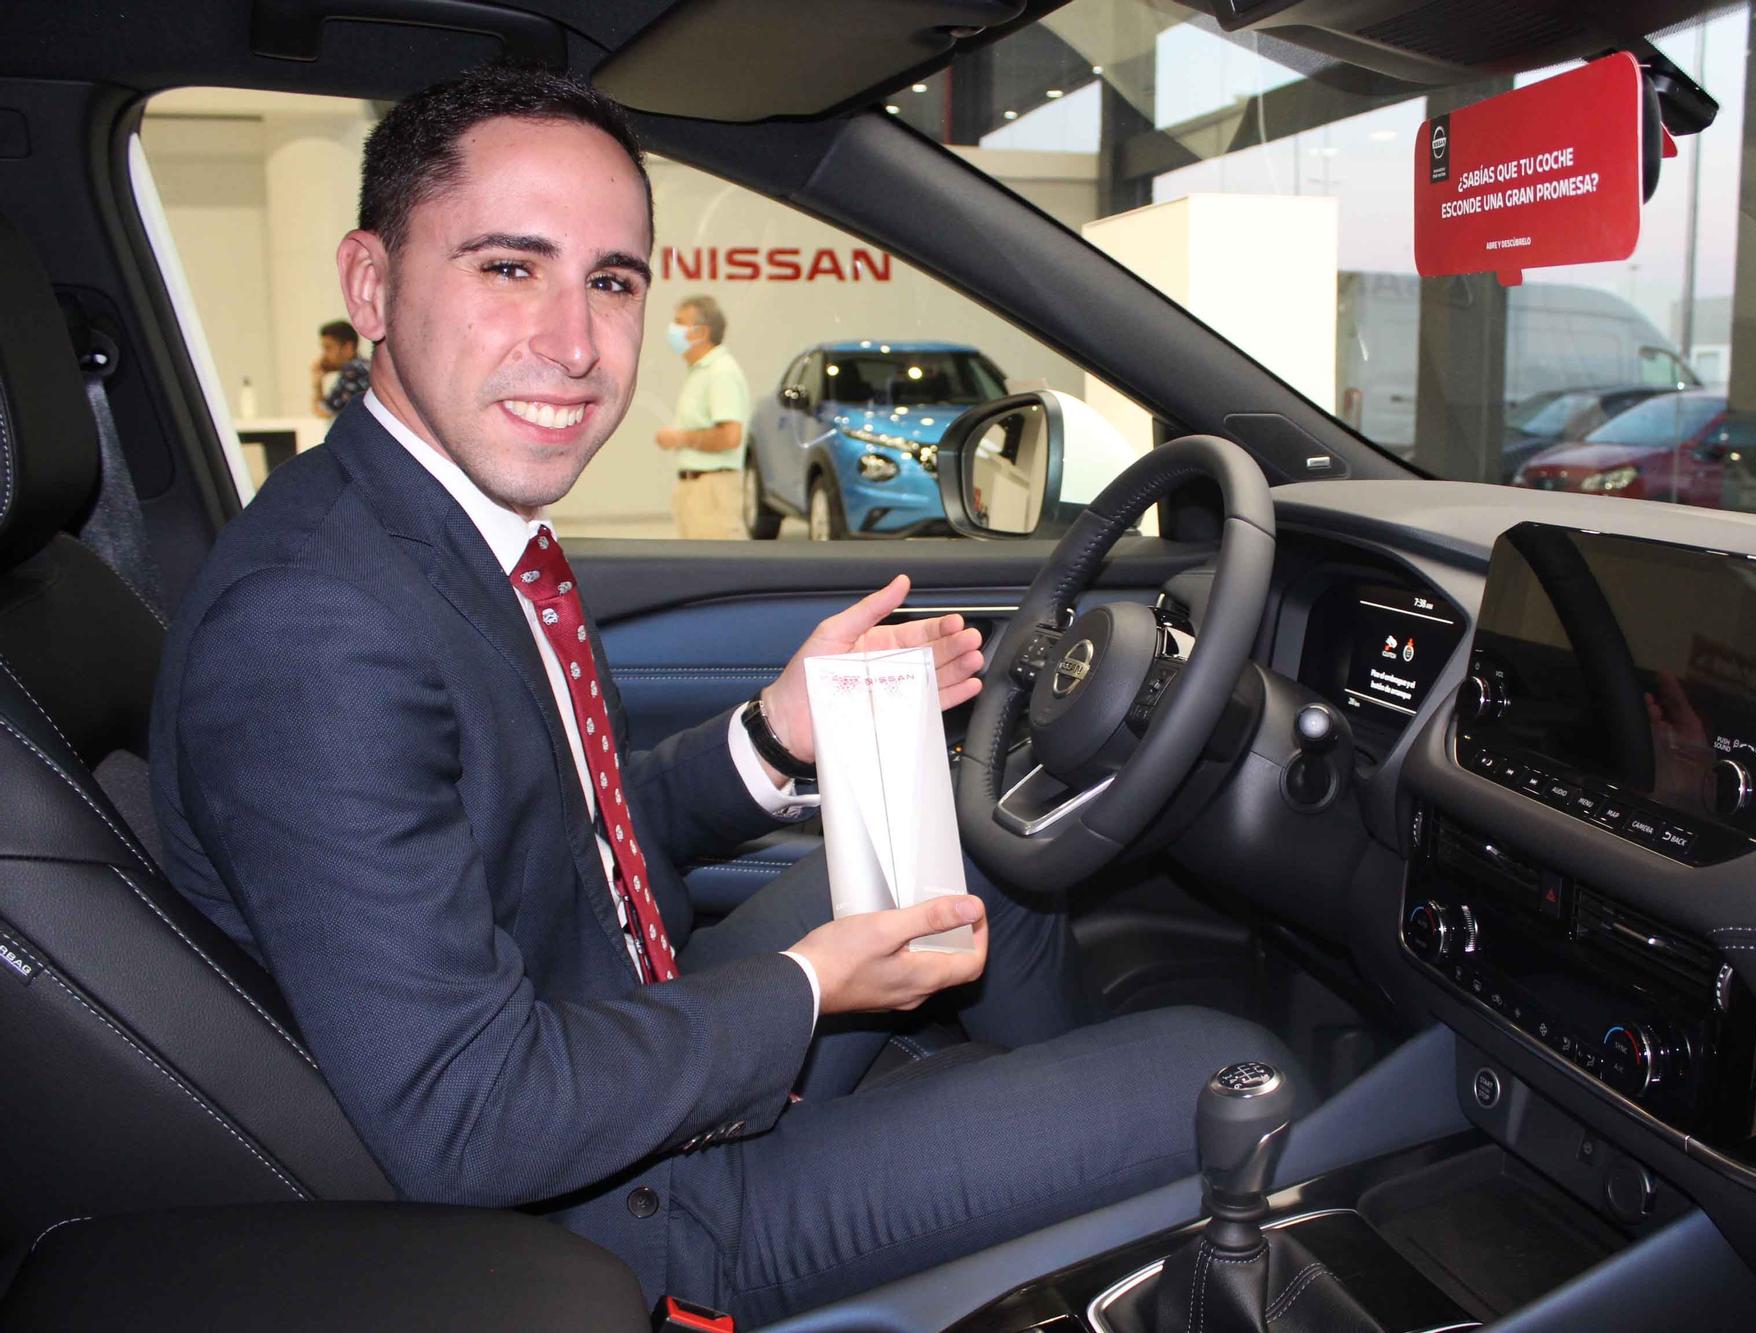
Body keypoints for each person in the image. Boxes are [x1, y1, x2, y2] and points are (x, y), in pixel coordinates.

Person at [151, 63, 1287, 1326]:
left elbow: (549, 837)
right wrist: (810, 986)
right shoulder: (314, 627)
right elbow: (469, 1119)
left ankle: (1023, 1189)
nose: (574, 344)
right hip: (626, 1212)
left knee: (975, 849)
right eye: (509, 267)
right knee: (1226, 1068)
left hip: (609, 1023)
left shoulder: (444, 530)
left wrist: (772, 733)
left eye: (612, 280)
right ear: (372, 283)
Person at [653, 294, 751, 539]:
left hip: (713, 491)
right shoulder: (700, 372)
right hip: (695, 490)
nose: (672, 330)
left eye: (680, 322)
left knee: (718, 572)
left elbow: (730, 437)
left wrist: (680, 438)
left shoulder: (721, 372)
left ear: (701, 332)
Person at [311, 318, 371, 418]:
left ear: (348, 347)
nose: (324, 356)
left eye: (328, 348)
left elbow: (324, 413)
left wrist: (317, 384)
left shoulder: (352, 372)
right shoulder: (366, 366)